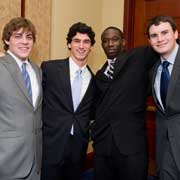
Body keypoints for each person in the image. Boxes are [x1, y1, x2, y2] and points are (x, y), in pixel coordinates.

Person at [91, 26, 158, 180]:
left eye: (114, 39)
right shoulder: (99, 76)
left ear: (123, 42)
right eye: (105, 41)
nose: (110, 44)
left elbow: (166, 47)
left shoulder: (139, 57)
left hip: (131, 146)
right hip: (103, 147)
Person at [41, 22, 96, 180]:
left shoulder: (94, 80)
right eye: (77, 41)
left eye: (86, 42)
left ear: (91, 46)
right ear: (69, 44)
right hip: (51, 146)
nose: (81, 46)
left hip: (78, 149)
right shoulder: (50, 69)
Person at [0, 17, 42, 180]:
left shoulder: (37, 70)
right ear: (6, 40)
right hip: (6, 161)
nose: (25, 42)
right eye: (18, 36)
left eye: (29, 37)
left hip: (35, 160)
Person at [147, 15, 180, 180]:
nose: (159, 39)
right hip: (165, 150)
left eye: (164, 32)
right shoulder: (154, 70)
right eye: (154, 35)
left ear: (176, 34)